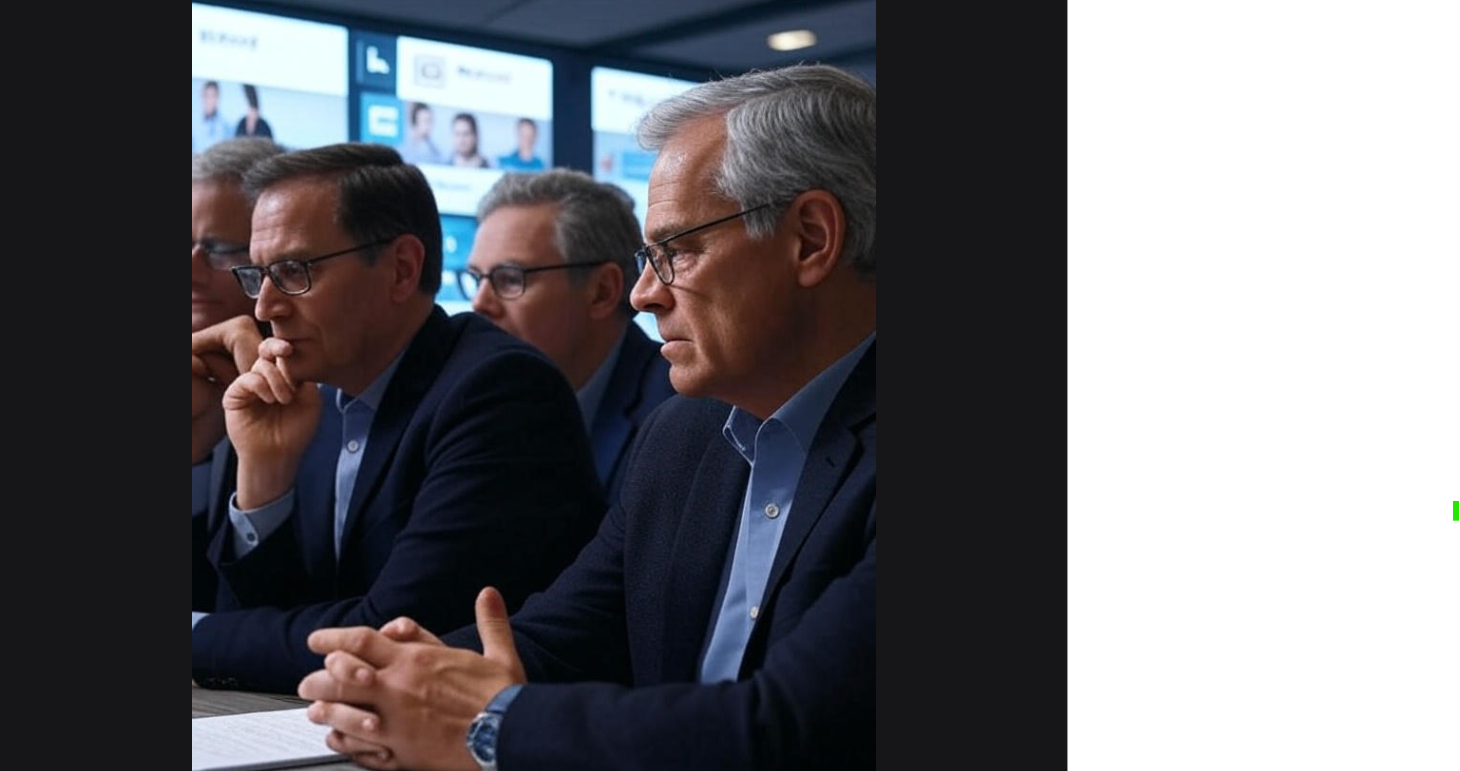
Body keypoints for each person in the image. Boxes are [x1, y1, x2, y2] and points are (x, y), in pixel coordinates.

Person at [299, 63, 877, 771]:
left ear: (811, 239)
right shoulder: (684, 434)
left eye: (676, 251)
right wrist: (392, 679)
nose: (643, 294)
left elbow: (790, 732)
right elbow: (558, 640)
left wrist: (492, 724)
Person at [191, 142, 607, 694]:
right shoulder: (308, 395)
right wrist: (265, 476)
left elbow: (394, 636)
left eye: (293, 271)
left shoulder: (500, 391)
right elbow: (259, 631)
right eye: (258, 275)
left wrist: (197, 635)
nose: (265, 307)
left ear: (401, 269)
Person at [461, 168, 674, 502]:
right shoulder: (476, 407)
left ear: (602, 291)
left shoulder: (678, 417)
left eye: (510, 279)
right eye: (477, 279)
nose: (479, 304)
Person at [194, 80, 232, 154]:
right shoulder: (195, 125)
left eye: (212, 96)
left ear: (217, 99)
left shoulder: (226, 126)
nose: (209, 100)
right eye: (206, 96)